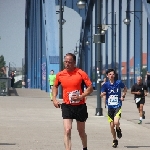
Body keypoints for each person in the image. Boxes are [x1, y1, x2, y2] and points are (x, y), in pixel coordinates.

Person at [52, 53, 93, 150]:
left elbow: (90, 88)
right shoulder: (60, 74)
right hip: (67, 106)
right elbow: (55, 86)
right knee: (67, 130)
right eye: (65, 62)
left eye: (69, 62)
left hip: (80, 106)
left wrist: (81, 96)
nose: (67, 64)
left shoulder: (80, 73)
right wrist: (54, 98)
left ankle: (85, 147)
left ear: (74, 62)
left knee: (81, 131)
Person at [101, 69, 127, 148]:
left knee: (116, 122)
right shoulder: (105, 85)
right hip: (110, 107)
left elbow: (125, 89)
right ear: (107, 75)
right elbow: (101, 94)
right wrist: (103, 94)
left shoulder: (118, 83)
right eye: (110, 74)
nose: (111, 76)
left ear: (114, 75)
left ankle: (118, 129)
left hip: (117, 105)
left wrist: (123, 96)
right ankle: (114, 140)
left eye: (113, 74)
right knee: (112, 125)